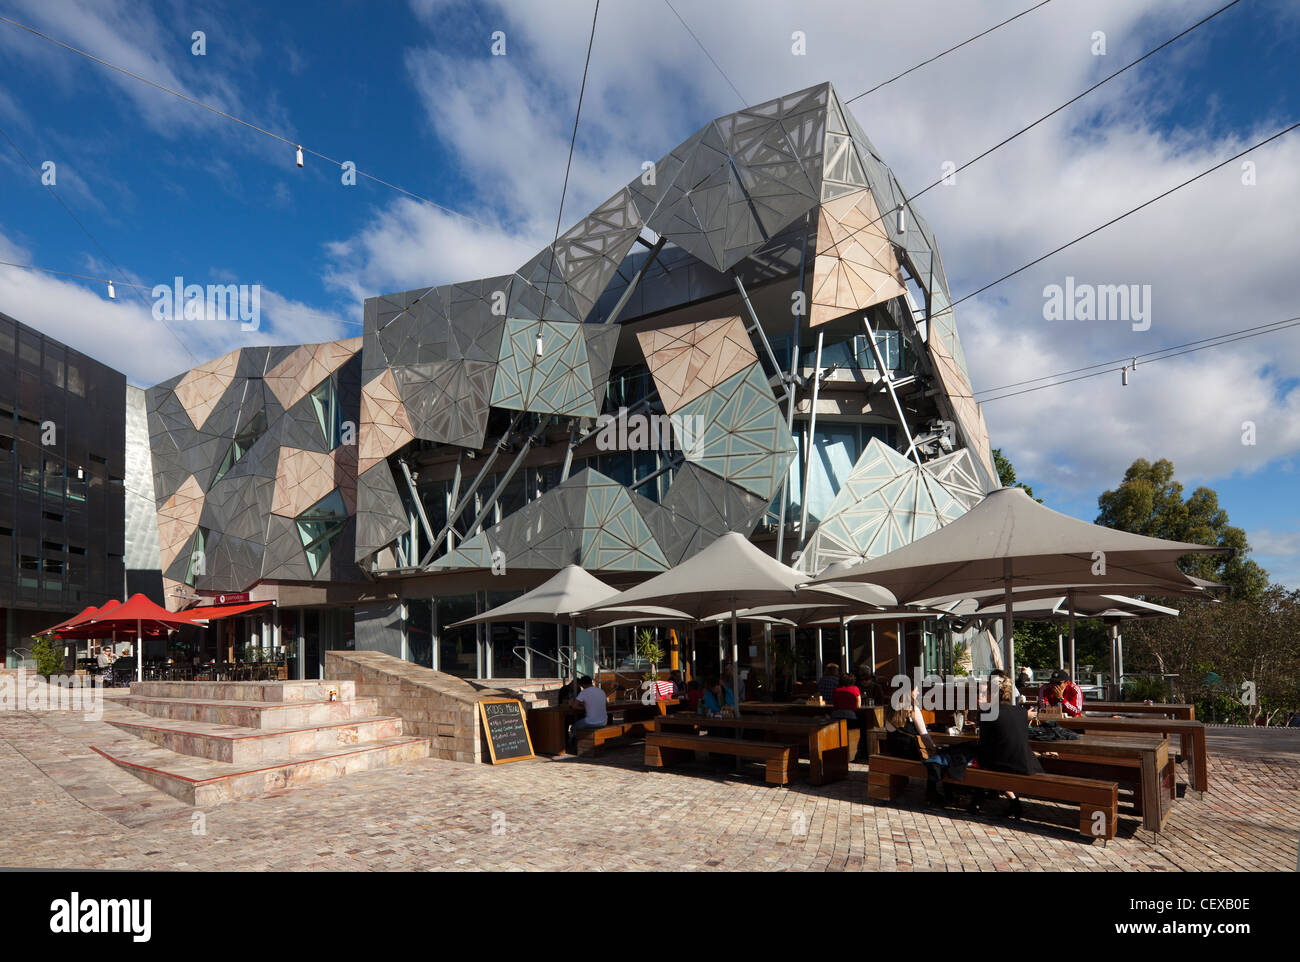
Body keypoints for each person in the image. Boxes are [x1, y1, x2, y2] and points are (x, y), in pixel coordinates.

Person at [970, 673, 1042, 818]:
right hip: (1026, 764)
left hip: (1002, 763)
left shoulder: (988, 713)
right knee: (990, 761)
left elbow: (984, 743)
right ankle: (1013, 803)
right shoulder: (1021, 712)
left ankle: (976, 800)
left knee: (974, 761)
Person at [568, 676, 608, 751]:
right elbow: (606, 704)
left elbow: (574, 706)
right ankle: (585, 741)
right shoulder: (601, 691)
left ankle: (579, 744)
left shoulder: (584, 692)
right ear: (591, 682)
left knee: (573, 728)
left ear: (583, 685)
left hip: (591, 722)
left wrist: (583, 708)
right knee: (581, 724)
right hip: (604, 721)